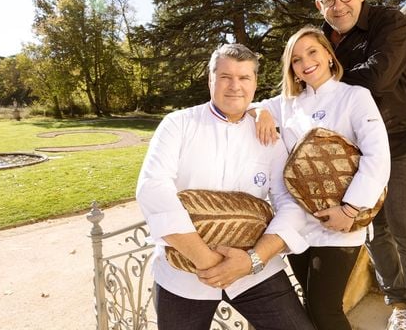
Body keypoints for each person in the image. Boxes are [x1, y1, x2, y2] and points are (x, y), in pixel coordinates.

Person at [135, 43, 315, 330]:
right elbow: (152, 188)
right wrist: (205, 259)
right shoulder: (177, 124)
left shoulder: (267, 136)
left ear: (255, 83)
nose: (235, 86)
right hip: (185, 272)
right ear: (210, 79)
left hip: (255, 269)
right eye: (225, 77)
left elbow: (290, 202)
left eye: (244, 78)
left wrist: (252, 260)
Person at [313, 0, 406, 330]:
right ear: (319, 5)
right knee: (375, 232)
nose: (338, 5)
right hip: (352, 156)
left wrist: (324, 81)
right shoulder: (319, 40)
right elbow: (300, 81)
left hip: (397, 144)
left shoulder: (389, 22)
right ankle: (398, 303)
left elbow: (379, 76)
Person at [252, 26, 391, 330]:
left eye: (312, 52)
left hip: (341, 222)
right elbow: (248, 105)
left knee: (324, 309)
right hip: (299, 223)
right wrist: (262, 111)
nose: (305, 62)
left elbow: (378, 156)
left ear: (329, 54)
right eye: (296, 59)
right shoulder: (285, 104)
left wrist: (350, 210)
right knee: (309, 307)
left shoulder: (355, 97)